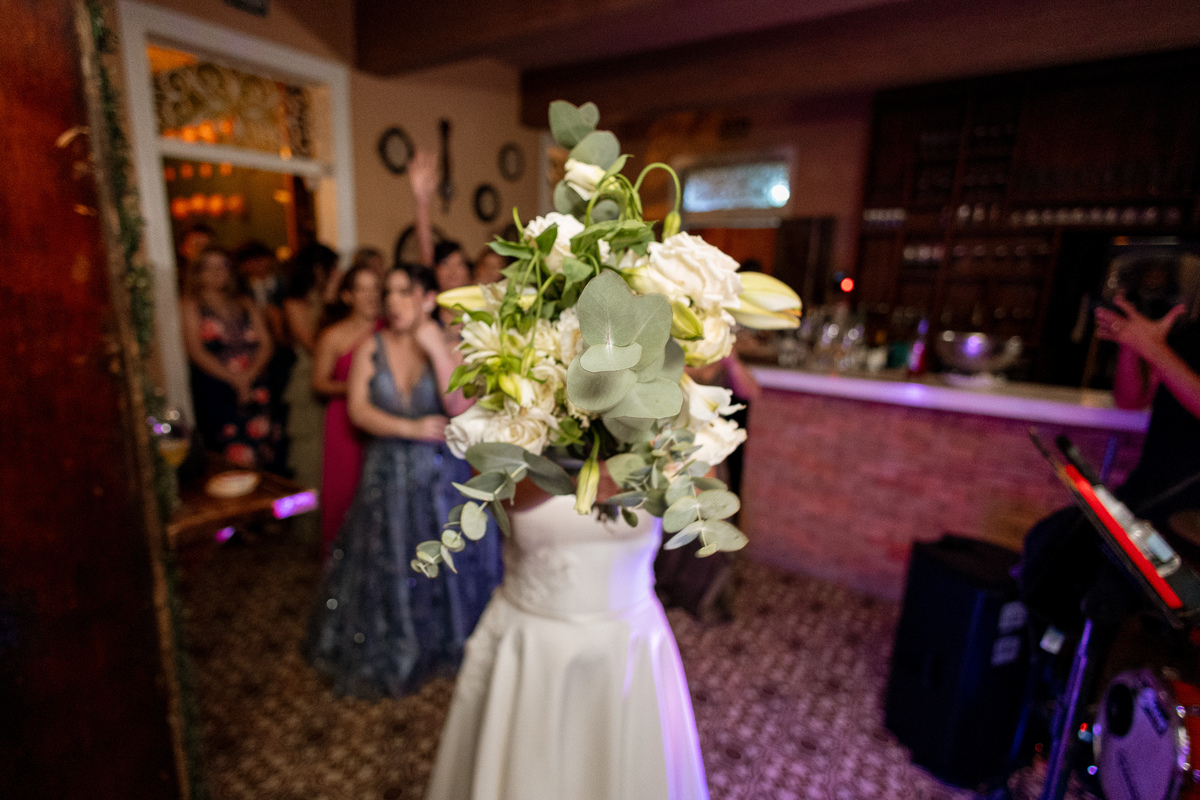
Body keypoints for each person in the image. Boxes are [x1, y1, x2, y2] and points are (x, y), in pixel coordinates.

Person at [305, 267, 502, 698]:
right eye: (388, 292)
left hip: (440, 478)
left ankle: (445, 644)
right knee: (390, 560)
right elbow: (357, 409)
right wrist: (408, 429)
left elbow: (458, 405)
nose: (393, 302)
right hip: (388, 475)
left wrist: (435, 348)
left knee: (446, 560)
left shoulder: (451, 344)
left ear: (428, 299)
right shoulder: (368, 348)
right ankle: (397, 646)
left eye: (403, 293)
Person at [179, 247, 277, 468]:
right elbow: (196, 351)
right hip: (218, 388)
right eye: (208, 268)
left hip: (255, 385)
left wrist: (248, 376)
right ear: (198, 273)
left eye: (221, 267)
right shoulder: (191, 305)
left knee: (264, 450)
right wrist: (235, 380)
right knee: (231, 455)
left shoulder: (244, 303)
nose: (216, 273)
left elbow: (267, 344)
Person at [312, 264, 382, 557]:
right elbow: (319, 383)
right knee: (346, 490)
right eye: (362, 289)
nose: (370, 295)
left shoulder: (391, 329)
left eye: (375, 288)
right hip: (344, 422)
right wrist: (355, 388)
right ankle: (343, 561)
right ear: (347, 296)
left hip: (382, 419)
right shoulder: (333, 336)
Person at [282, 243, 337, 544]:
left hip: (330, 383)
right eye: (332, 269)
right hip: (307, 383)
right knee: (309, 457)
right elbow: (314, 346)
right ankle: (307, 532)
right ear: (319, 270)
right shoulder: (294, 304)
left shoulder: (329, 301)